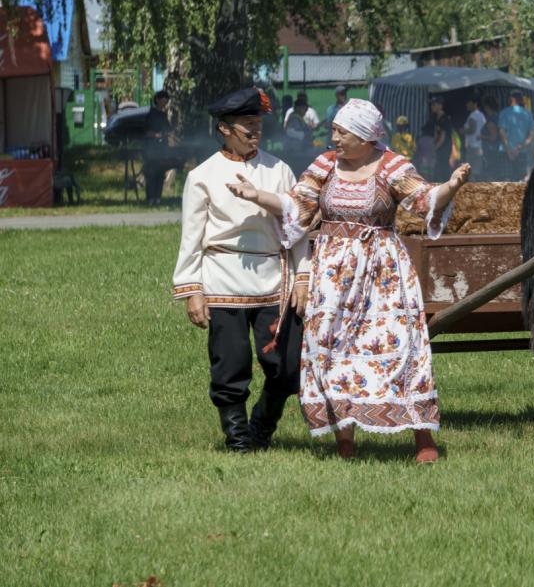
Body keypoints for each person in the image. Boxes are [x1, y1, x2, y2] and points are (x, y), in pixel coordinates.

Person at [226, 99, 471, 463]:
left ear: (364, 136)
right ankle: (345, 441)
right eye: (335, 131)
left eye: (342, 132)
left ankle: (423, 440)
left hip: (383, 273)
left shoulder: (391, 165)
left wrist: (449, 186)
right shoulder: (326, 165)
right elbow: (298, 203)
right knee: (333, 351)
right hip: (333, 274)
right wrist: (256, 195)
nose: (334, 138)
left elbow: (423, 200)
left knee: (402, 347)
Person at [172, 87, 308, 452]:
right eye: (247, 126)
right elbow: (191, 237)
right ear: (224, 129)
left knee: (284, 365)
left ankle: (262, 427)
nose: (255, 132)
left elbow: (298, 228)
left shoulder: (279, 170)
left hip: (274, 280)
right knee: (230, 363)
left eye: (258, 125)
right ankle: (238, 439)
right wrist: (191, 289)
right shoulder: (203, 176)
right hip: (222, 277)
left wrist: (304, 276)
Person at [143, 90, 176, 206]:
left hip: (162, 150)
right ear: (157, 99)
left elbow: (169, 129)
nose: (166, 101)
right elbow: (146, 132)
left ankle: (158, 198)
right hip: (151, 149)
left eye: (167, 99)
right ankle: (150, 199)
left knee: (160, 174)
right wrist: (157, 135)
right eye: (163, 98)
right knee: (151, 174)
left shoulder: (163, 115)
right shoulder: (151, 114)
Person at [464, 96, 487, 177]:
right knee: (477, 167)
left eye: (469, 103)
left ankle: (473, 186)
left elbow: (472, 129)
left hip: (472, 145)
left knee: (471, 168)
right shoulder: (481, 115)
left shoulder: (473, 115)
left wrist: (462, 130)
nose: (467, 105)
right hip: (479, 144)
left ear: (475, 104)